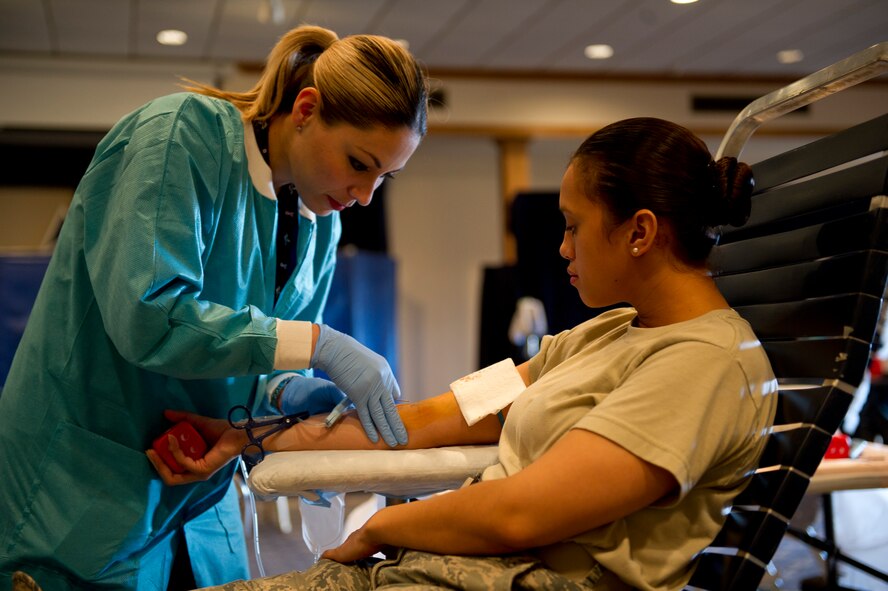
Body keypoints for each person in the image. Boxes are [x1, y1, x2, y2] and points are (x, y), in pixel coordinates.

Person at [157, 117, 777, 591]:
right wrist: (254, 437)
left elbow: (521, 517)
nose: (562, 249)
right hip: (455, 567)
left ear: (639, 232)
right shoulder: (608, 332)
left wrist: (378, 527)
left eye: (572, 226)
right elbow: (438, 415)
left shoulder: (707, 365)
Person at [0, 24, 428, 591]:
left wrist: (286, 391)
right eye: (359, 162)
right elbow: (149, 317)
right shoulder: (179, 138)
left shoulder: (319, 224)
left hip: (200, 500)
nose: (366, 194)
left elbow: (262, 357)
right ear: (305, 109)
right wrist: (318, 344)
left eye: (385, 177)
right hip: (84, 487)